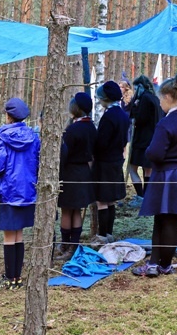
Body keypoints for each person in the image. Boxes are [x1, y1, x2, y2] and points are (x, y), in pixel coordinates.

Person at [132, 75, 177, 277]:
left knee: (163, 219)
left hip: (168, 174)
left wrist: (147, 153)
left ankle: (156, 265)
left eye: (161, 98)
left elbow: (154, 153)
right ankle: (164, 264)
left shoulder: (167, 122)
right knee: (176, 218)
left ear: (170, 96)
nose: (160, 102)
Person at [0, 98, 40, 289]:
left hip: (10, 189)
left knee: (9, 235)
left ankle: (11, 278)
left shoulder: (2, 135)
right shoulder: (34, 136)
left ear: (8, 115)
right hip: (28, 189)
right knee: (18, 233)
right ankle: (16, 277)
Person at [55, 92, 97, 261]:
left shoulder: (72, 129)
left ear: (76, 108)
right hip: (84, 172)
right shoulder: (91, 127)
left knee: (67, 210)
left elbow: (64, 153)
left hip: (70, 171)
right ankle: (73, 246)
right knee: (76, 211)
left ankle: (67, 246)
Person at [92, 80, 130, 242]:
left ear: (105, 98)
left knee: (102, 201)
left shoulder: (108, 117)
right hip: (116, 160)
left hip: (105, 162)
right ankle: (109, 233)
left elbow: (101, 143)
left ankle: (102, 234)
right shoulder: (122, 114)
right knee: (111, 201)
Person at [127, 75, 163, 206]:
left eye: (136, 87)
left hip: (142, 139)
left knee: (132, 168)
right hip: (152, 138)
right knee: (148, 169)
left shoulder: (144, 99)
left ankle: (141, 196)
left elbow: (140, 118)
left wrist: (135, 107)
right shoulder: (154, 98)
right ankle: (146, 196)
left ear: (140, 87)